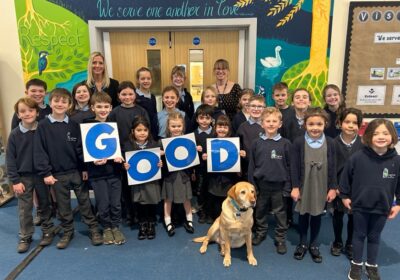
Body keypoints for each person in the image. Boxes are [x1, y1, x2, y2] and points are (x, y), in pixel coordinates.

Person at [34, 88, 103, 249]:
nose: (60, 104)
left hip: (76, 172)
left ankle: (93, 229)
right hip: (57, 175)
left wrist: (84, 168)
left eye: (64, 101)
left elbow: (79, 149)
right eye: (56, 101)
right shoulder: (43, 126)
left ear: (69, 104)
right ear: (50, 102)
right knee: (64, 206)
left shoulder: (73, 125)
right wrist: (46, 173)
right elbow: (39, 151)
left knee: (85, 202)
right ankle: (67, 231)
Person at [340, 119, 400, 280]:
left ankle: (371, 265)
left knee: (374, 237)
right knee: (359, 235)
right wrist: (344, 196)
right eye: (376, 133)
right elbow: (345, 178)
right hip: (360, 206)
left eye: (385, 133)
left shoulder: (396, 160)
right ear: (368, 136)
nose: (381, 137)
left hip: (382, 207)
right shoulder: (358, 157)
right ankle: (356, 264)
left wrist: (398, 204)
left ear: (392, 136)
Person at [6, 97, 54, 253]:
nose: (27, 114)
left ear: (37, 112)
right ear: (18, 115)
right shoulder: (14, 135)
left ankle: (47, 230)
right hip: (23, 177)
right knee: (24, 208)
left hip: (42, 175)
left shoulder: (43, 130)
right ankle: (25, 236)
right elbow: (10, 160)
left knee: (45, 204)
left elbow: (49, 153)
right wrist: (15, 181)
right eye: (22, 111)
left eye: (31, 110)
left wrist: (48, 172)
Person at [290, 107, 337, 263]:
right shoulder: (298, 142)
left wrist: (332, 187)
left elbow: (333, 166)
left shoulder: (330, 142)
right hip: (304, 183)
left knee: (317, 214)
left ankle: (314, 244)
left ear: (325, 124)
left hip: (321, 183)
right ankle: (303, 243)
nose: (315, 128)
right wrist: (295, 186)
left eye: (319, 124)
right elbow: (294, 166)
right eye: (311, 124)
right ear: (305, 125)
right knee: (303, 214)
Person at [248, 107, 291, 254]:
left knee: (280, 213)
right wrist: (252, 187)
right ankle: (260, 232)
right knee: (260, 211)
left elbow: (290, 167)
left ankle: (280, 238)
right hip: (261, 185)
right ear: (262, 123)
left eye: (274, 121)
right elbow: (252, 166)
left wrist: (288, 187)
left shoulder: (286, 144)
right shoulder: (256, 143)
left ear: (280, 124)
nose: (271, 124)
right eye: (268, 121)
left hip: (280, 186)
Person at [85, 92, 125, 245]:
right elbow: (82, 150)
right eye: (99, 106)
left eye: (106, 106)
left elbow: (120, 146)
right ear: (92, 108)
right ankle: (106, 228)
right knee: (103, 203)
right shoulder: (86, 126)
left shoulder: (114, 126)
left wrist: (119, 156)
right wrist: (92, 160)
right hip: (97, 174)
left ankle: (115, 226)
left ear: (110, 108)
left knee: (115, 202)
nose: (103, 109)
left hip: (114, 172)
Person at [108, 81, 149, 226]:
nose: (127, 97)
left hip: (139, 153)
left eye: (130, 94)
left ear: (135, 94)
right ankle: (130, 214)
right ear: (118, 96)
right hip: (122, 155)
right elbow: (110, 136)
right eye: (124, 94)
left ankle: (140, 213)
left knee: (139, 185)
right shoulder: (114, 113)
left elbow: (147, 132)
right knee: (126, 186)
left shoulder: (142, 111)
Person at [331, 108, 364, 260]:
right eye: (347, 122)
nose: (351, 126)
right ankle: (337, 241)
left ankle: (350, 243)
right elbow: (330, 167)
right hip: (338, 188)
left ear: (360, 125)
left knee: (353, 217)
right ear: (339, 123)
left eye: (355, 123)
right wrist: (335, 186)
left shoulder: (364, 145)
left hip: (356, 189)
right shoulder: (332, 143)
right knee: (338, 215)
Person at [123, 116, 162, 240]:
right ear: (133, 131)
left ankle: (151, 224)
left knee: (151, 201)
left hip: (151, 180)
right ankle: (142, 224)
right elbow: (125, 163)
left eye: (145, 130)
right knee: (140, 202)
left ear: (148, 131)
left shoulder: (154, 144)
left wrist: (160, 164)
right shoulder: (128, 146)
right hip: (137, 181)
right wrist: (125, 166)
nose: (142, 133)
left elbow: (157, 162)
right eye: (139, 130)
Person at [162, 112, 197, 236]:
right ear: (168, 127)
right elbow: (160, 163)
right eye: (173, 126)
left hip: (184, 175)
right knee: (168, 199)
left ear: (183, 126)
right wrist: (160, 157)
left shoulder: (188, 141)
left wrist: (195, 151)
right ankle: (168, 221)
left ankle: (189, 220)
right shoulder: (163, 142)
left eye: (178, 126)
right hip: (169, 176)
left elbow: (191, 160)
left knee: (186, 199)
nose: (176, 129)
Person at [281, 88, 312, 226]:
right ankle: (288, 217)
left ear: (310, 102)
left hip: (309, 160)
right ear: (292, 102)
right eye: (297, 97)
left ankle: (305, 217)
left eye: (304, 97)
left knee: (307, 189)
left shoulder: (314, 120)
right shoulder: (286, 119)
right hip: (289, 160)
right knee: (289, 189)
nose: (301, 99)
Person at [205, 115, 240, 221]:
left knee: (228, 198)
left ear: (229, 129)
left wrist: (240, 154)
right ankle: (215, 218)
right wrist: (205, 156)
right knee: (214, 197)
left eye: (225, 127)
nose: (222, 129)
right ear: (215, 128)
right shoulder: (211, 141)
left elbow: (236, 158)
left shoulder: (233, 142)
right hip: (214, 177)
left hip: (228, 177)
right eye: (220, 126)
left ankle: (228, 218)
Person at [192, 104, 214, 224]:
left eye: (207, 118)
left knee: (211, 190)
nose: (204, 121)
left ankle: (209, 212)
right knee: (200, 191)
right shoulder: (193, 134)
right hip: (199, 168)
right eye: (201, 118)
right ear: (197, 119)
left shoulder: (216, 133)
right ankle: (202, 211)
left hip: (213, 169)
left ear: (211, 119)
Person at [236, 95, 265, 179]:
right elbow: (238, 146)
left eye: (259, 106)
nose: (256, 109)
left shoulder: (268, 126)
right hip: (246, 168)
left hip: (264, 167)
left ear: (264, 109)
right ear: (248, 108)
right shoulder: (242, 127)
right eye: (253, 106)